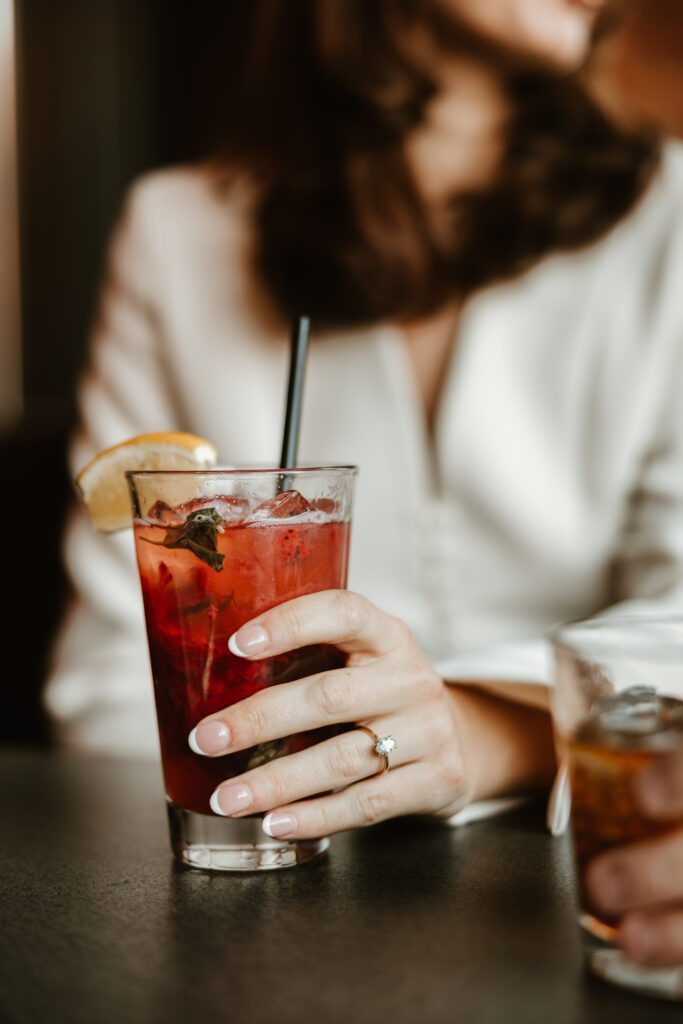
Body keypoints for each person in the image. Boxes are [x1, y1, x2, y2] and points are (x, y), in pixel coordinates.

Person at [46, 0, 683, 967]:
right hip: (252, 926)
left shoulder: (671, 225)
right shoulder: (177, 232)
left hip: (562, 902)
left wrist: (487, 731)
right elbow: (110, 686)